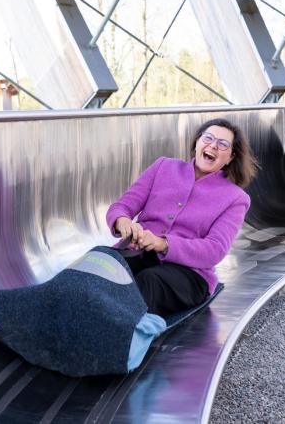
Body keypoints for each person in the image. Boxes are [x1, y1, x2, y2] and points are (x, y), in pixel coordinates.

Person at [106, 118, 259, 316]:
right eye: (208, 138)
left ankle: (109, 338)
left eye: (222, 144)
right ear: (197, 143)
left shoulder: (236, 198)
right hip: (138, 252)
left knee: (150, 280)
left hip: (190, 274)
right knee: (104, 264)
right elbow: (122, 206)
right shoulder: (163, 167)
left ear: (230, 157)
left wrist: (163, 244)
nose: (213, 145)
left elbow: (215, 250)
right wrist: (122, 221)